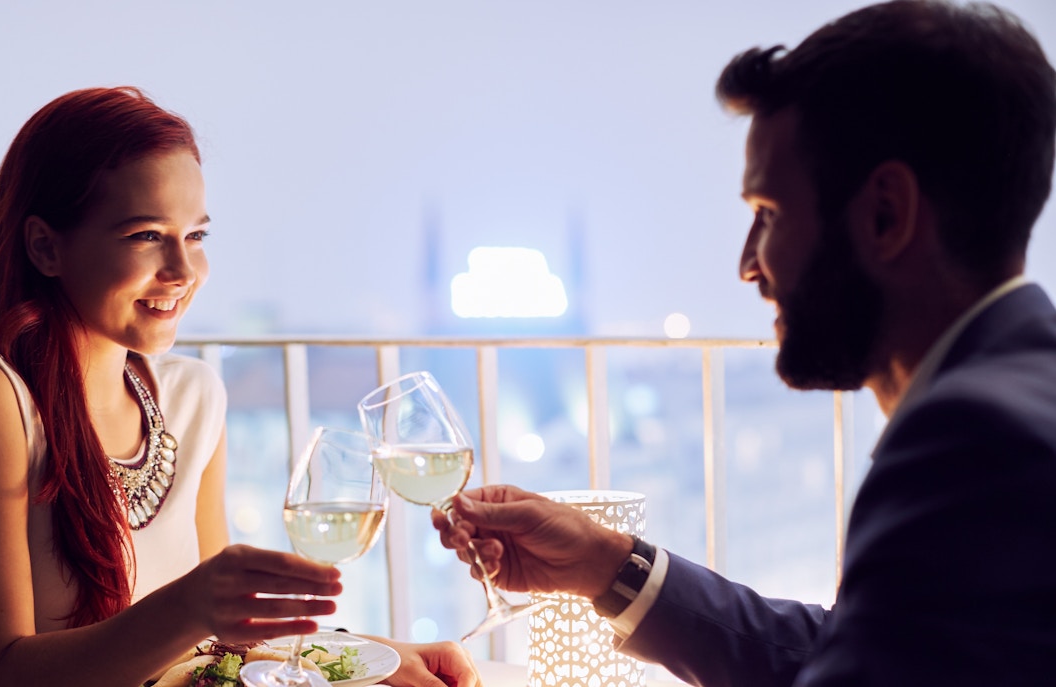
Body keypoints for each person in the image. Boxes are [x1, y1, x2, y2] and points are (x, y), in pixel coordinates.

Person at [434, 1, 1056, 685]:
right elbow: (855, 650)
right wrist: (607, 565)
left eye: (768, 214)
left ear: (886, 213)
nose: (748, 264)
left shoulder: (968, 444)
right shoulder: (1016, 404)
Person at [0, 86, 477, 687]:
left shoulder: (192, 398)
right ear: (45, 246)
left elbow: (223, 641)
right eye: (145, 235)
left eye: (195, 237)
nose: (184, 272)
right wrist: (192, 605)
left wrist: (384, 656)